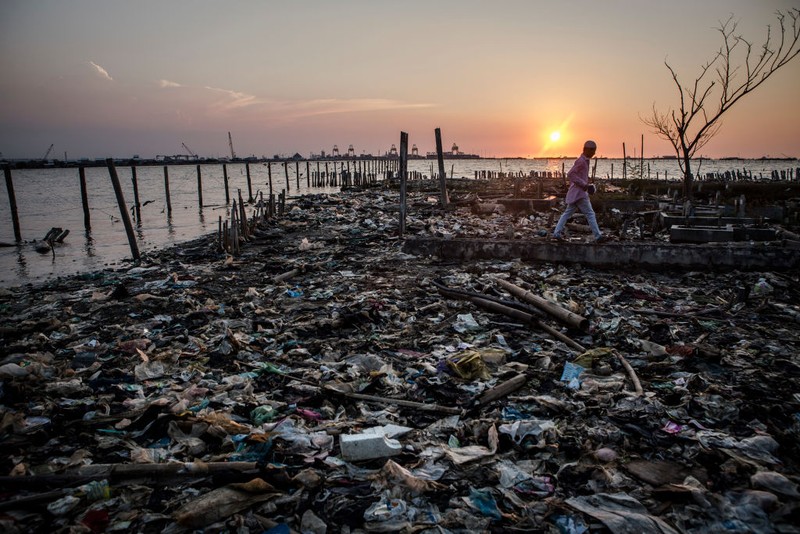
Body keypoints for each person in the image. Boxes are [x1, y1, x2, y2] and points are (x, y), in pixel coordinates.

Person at [552, 140, 606, 243]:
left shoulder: (585, 160)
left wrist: (588, 185)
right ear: (586, 149)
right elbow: (571, 174)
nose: (594, 153)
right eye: (592, 150)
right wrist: (584, 185)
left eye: (594, 151)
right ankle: (598, 236)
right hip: (580, 193)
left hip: (578, 193)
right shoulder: (581, 161)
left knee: (567, 213)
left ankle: (556, 233)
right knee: (590, 214)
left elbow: (580, 176)